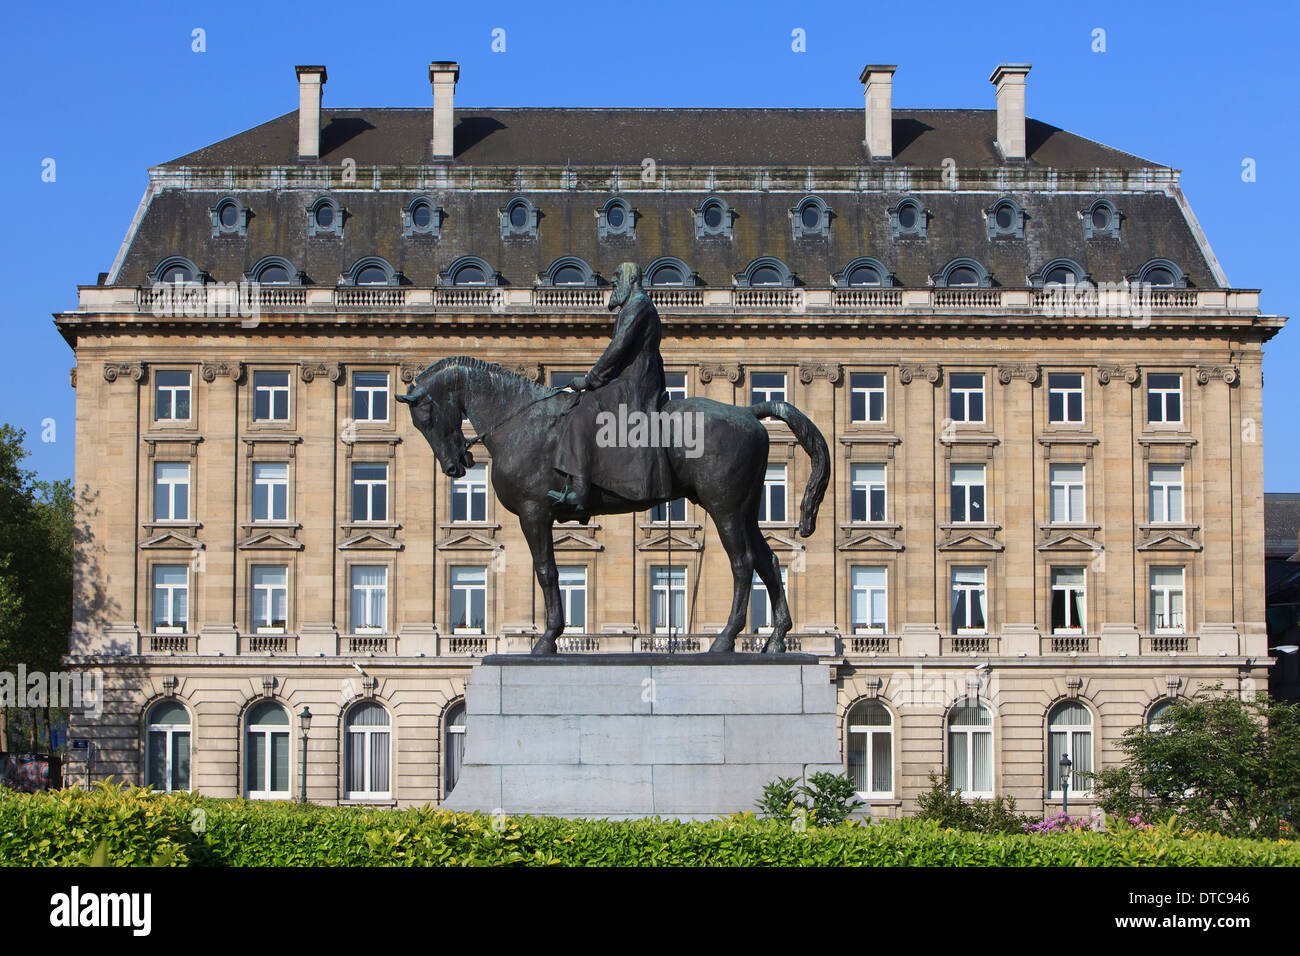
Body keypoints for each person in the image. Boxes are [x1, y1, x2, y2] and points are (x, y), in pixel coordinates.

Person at [551, 262, 672, 510]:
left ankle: (581, 493)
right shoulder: (635, 306)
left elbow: (617, 349)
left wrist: (589, 379)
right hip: (636, 380)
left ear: (632, 279)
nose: (613, 283)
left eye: (617, 278)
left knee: (581, 415)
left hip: (633, 383)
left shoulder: (638, 305)